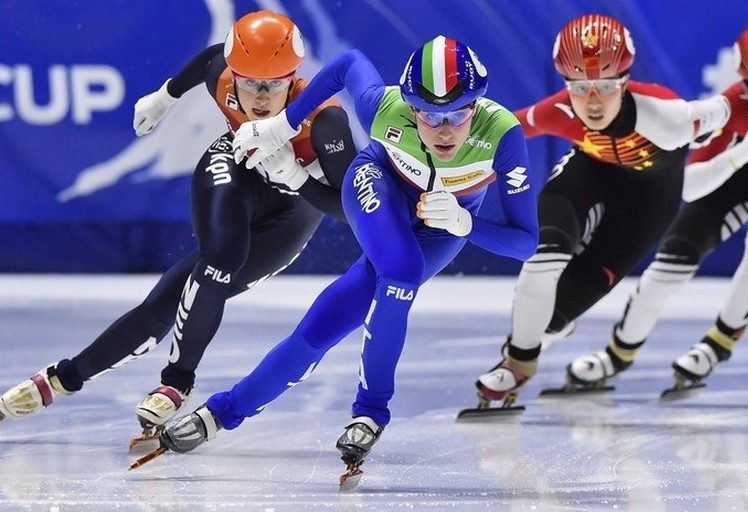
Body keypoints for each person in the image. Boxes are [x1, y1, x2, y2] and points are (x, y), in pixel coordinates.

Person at [143, 35, 538, 480]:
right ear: (409, 108)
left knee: (342, 312)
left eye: (459, 113)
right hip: (380, 184)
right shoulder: (383, 108)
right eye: (428, 114)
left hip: (449, 221)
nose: (444, 129)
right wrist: (284, 124)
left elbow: (525, 242)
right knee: (401, 269)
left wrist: (466, 225)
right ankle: (371, 411)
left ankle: (221, 412)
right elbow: (349, 62)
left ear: (478, 107)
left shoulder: (502, 135)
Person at [0, 11, 358, 441]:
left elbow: (352, 210)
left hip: (295, 210)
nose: (260, 98)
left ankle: (74, 376)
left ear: (294, 78)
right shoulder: (225, 80)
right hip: (237, 167)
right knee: (219, 259)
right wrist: (164, 97)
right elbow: (212, 58)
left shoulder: (325, 122)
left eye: (274, 84)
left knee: (172, 298)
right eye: (249, 82)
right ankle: (166, 381)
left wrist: (299, 178)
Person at [564, 19, 748, 393]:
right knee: (673, 257)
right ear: (744, 86)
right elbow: (691, 183)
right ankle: (617, 353)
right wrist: (740, 152)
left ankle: (719, 344)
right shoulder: (731, 108)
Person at [472, 14, 732, 406]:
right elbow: (505, 128)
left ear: (625, 82)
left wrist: (722, 136)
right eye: (580, 87)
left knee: (553, 321)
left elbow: (724, 111)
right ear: (566, 83)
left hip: (649, 201)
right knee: (541, 256)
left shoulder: (669, 118)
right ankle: (517, 364)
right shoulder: (558, 110)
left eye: (606, 86)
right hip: (589, 173)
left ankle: (548, 330)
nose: (592, 101)